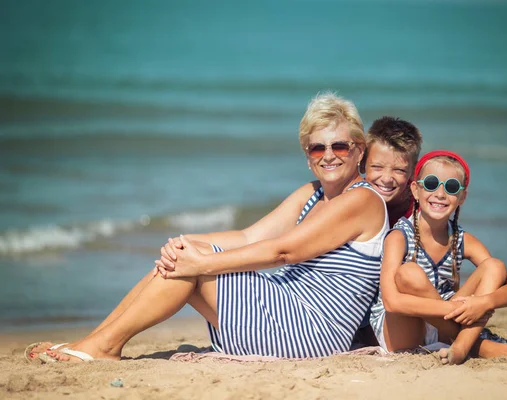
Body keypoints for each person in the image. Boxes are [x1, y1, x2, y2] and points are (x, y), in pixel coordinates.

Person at [25, 92, 389, 362]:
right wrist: (184, 242)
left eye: (339, 146)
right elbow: (248, 236)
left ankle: (101, 347)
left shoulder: (360, 200)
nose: (328, 155)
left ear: (359, 150)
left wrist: (201, 264)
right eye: (316, 148)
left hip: (312, 333)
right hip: (289, 311)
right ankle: (97, 341)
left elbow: (283, 251)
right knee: (182, 255)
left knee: (194, 265)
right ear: (307, 156)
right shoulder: (311, 194)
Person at [370, 150, 507, 365]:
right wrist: (458, 310)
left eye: (451, 187)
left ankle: (461, 346)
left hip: (443, 326)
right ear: (415, 190)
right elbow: (391, 302)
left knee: (494, 266)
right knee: (409, 273)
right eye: (431, 183)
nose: (440, 194)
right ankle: (476, 345)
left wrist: (482, 303)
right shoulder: (399, 237)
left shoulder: (462, 239)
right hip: (402, 331)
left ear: (462, 197)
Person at [351, 116, 423, 347]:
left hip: (403, 305)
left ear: (413, 172)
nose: (387, 178)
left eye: (400, 170)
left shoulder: (420, 213)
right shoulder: (353, 200)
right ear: (362, 164)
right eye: (377, 167)